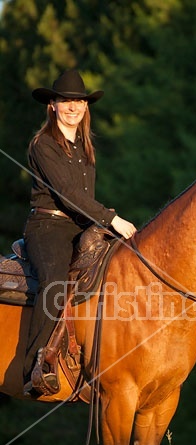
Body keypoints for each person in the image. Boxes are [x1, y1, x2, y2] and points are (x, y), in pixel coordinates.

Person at [23, 69, 136, 396]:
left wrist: (101, 225)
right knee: (55, 281)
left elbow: (83, 199)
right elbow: (68, 192)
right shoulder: (42, 145)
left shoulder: (85, 147)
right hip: (48, 225)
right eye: (65, 101)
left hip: (80, 224)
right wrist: (111, 219)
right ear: (52, 106)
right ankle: (37, 365)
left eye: (79, 102)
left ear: (86, 107)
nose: (72, 107)